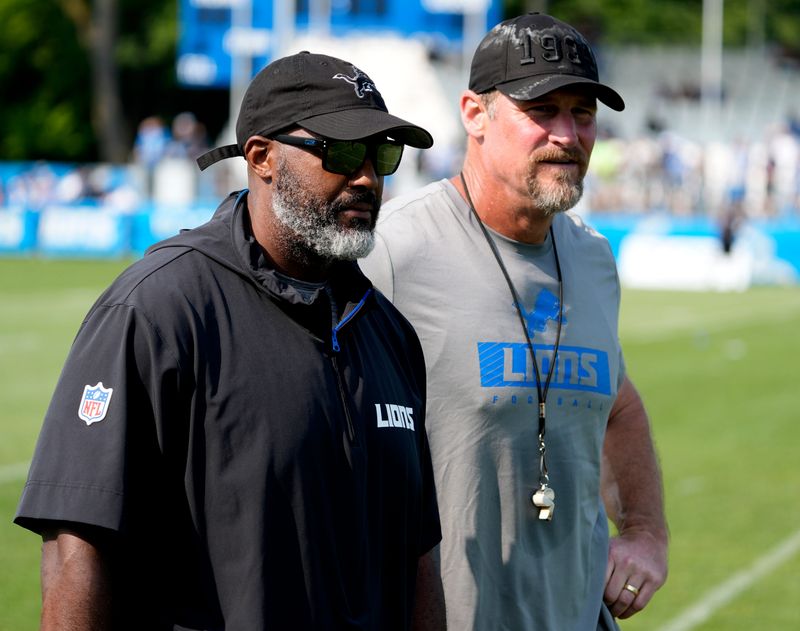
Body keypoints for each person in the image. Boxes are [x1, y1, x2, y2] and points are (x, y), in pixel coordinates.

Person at [15, 51, 445, 631]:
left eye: (381, 154)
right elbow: (78, 549)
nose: (367, 176)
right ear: (262, 156)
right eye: (342, 152)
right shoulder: (157, 309)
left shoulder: (388, 331)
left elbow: (418, 557)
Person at [359, 13, 668, 631]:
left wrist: (645, 531)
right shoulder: (390, 252)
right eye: (542, 111)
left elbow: (617, 402)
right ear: (474, 114)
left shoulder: (592, 257)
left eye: (582, 114)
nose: (567, 135)